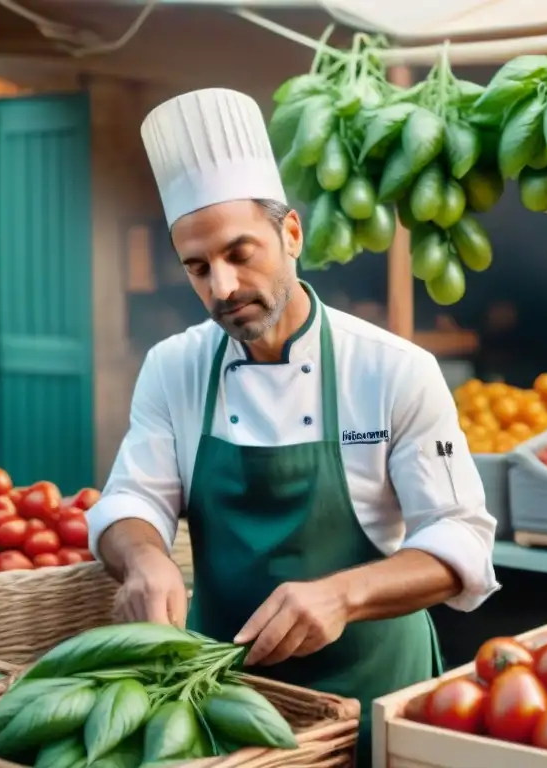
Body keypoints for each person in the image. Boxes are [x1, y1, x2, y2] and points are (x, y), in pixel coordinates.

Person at [86, 87, 499, 766]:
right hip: (223, 698)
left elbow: (461, 543)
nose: (221, 286)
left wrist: (343, 593)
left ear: (292, 234)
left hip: (375, 700)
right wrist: (145, 558)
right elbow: (132, 498)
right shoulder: (174, 368)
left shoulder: (394, 369)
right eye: (197, 267)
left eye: (239, 253)